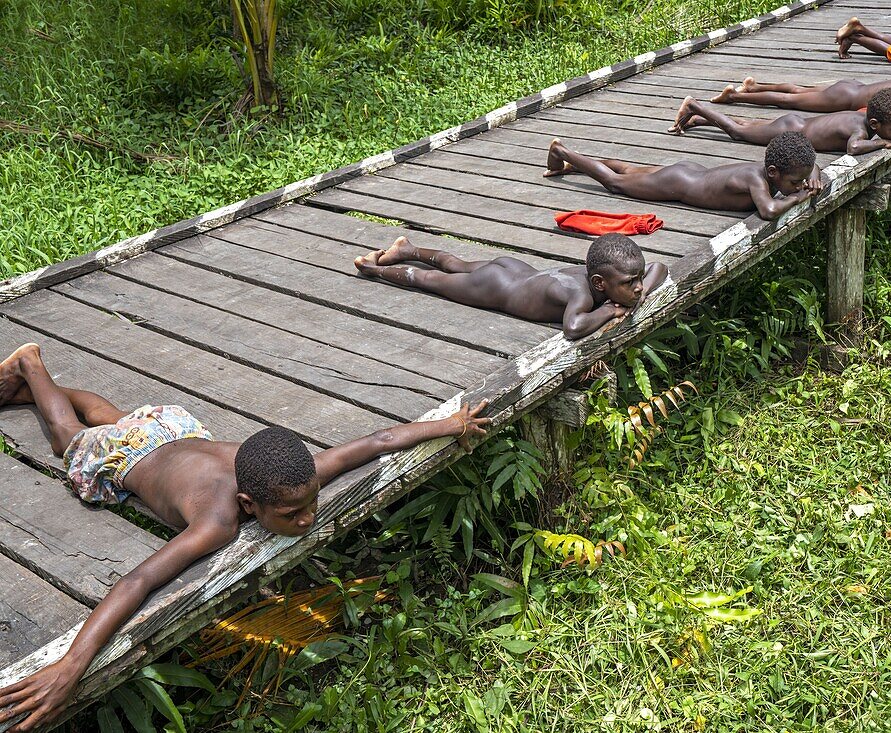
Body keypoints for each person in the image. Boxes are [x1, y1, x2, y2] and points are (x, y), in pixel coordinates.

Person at [0, 343, 489, 731]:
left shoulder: (294, 475)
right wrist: (71, 667)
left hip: (168, 431)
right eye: (292, 513)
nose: (307, 519)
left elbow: (377, 442)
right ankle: (32, 364)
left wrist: (453, 423)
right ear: (248, 506)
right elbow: (138, 582)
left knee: (118, 421)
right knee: (71, 438)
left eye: (312, 504)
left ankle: (30, 391)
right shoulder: (216, 521)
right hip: (138, 453)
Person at [354, 233, 668, 340]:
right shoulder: (580, 293)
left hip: (517, 272)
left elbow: (660, 267)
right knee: (431, 280)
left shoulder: (601, 277)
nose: (640, 287)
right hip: (495, 288)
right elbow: (573, 326)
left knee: (456, 264)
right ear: (600, 283)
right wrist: (612, 310)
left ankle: (407, 249)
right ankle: (374, 268)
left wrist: (633, 298)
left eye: (638, 280)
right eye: (630, 283)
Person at [543, 133, 821, 221]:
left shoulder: (773, 170)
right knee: (617, 183)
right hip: (677, 183)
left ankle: (576, 164)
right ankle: (562, 151)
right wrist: (799, 196)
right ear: (773, 173)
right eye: (795, 181)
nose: (799, 185)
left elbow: (812, 165)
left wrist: (815, 176)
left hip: (688, 174)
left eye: (801, 180)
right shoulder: (757, 181)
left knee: (628, 171)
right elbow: (769, 211)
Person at [710, 57, 891, 139]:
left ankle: (754, 87)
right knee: (791, 100)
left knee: (800, 93)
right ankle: (734, 96)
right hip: (843, 97)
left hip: (850, 89)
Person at [668, 87, 891, 155]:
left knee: (748, 127)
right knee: (738, 132)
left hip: (795, 124)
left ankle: (698, 120)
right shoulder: (859, 131)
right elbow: (853, 148)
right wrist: (884, 143)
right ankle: (694, 105)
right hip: (790, 131)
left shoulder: (866, 118)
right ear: (874, 125)